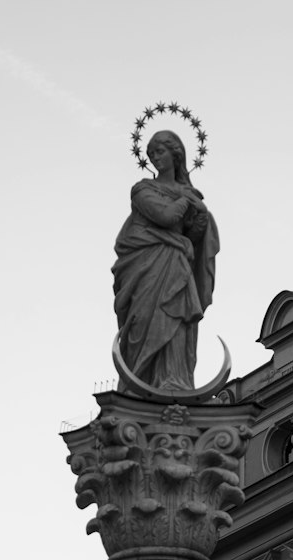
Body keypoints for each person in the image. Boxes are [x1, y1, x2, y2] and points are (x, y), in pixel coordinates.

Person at [113, 130, 219, 393]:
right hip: (147, 265)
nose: (155, 158)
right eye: (151, 154)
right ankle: (142, 380)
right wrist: (188, 201)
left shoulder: (189, 193)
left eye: (160, 152)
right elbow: (165, 217)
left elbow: (192, 235)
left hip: (177, 263)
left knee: (178, 317)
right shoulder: (142, 189)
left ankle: (175, 378)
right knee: (144, 319)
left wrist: (202, 217)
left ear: (176, 154)